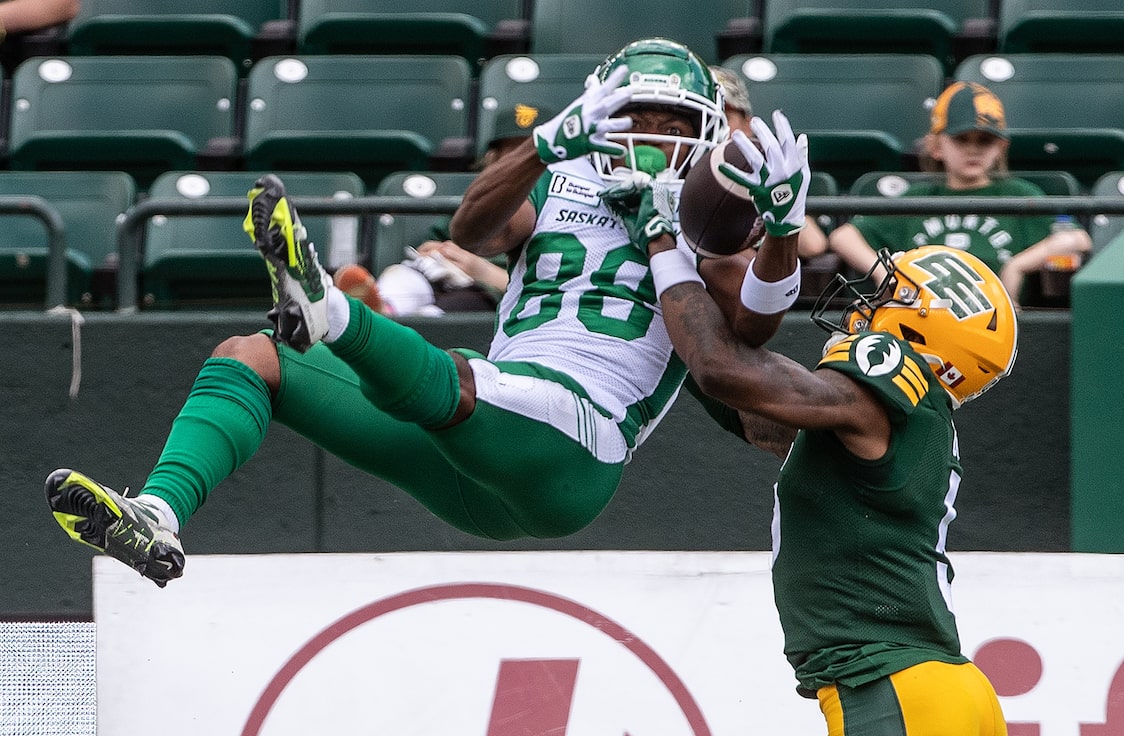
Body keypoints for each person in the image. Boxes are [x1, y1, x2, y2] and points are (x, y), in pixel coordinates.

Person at [43, 37, 801, 588]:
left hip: (576, 446)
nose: (652, 136)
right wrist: (542, 146)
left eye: (674, 123)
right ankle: (158, 514)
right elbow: (473, 231)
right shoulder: (560, 179)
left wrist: (781, 232)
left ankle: (331, 310)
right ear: (599, 113)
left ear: (708, 129)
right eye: (637, 115)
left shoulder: (710, 220)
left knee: (463, 376)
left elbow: (753, 325)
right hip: (477, 449)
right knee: (252, 357)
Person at [640, 114, 1015, 732]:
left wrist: (664, 250)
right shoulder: (901, 419)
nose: (871, 299)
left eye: (892, 294)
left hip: (895, 683)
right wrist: (670, 305)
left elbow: (726, 372)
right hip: (932, 687)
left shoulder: (890, 376)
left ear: (926, 326)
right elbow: (752, 412)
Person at [828, 80, 1091, 307]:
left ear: (1000, 147)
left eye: (984, 140)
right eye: (961, 139)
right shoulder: (918, 198)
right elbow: (843, 236)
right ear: (936, 146)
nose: (973, 149)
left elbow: (1077, 238)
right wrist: (884, 272)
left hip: (996, 320)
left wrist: (1016, 266)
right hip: (921, 320)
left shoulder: (1018, 194)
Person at [332, 100, 538, 316]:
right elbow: (442, 237)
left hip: (492, 294)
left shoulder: (556, 212)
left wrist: (482, 270)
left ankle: (410, 320)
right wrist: (436, 251)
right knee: (406, 275)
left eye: (531, 153)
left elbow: (552, 289)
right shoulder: (481, 202)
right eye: (512, 153)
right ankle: (382, 308)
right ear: (493, 159)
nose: (522, 162)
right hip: (442, 275)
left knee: (453, 306)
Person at [710, 64, 828, 261]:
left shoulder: (769, 169)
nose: (713, 125)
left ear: (747, 125)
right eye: (704, 117)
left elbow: (813, 245)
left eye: (724, 116)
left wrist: (781, 206)